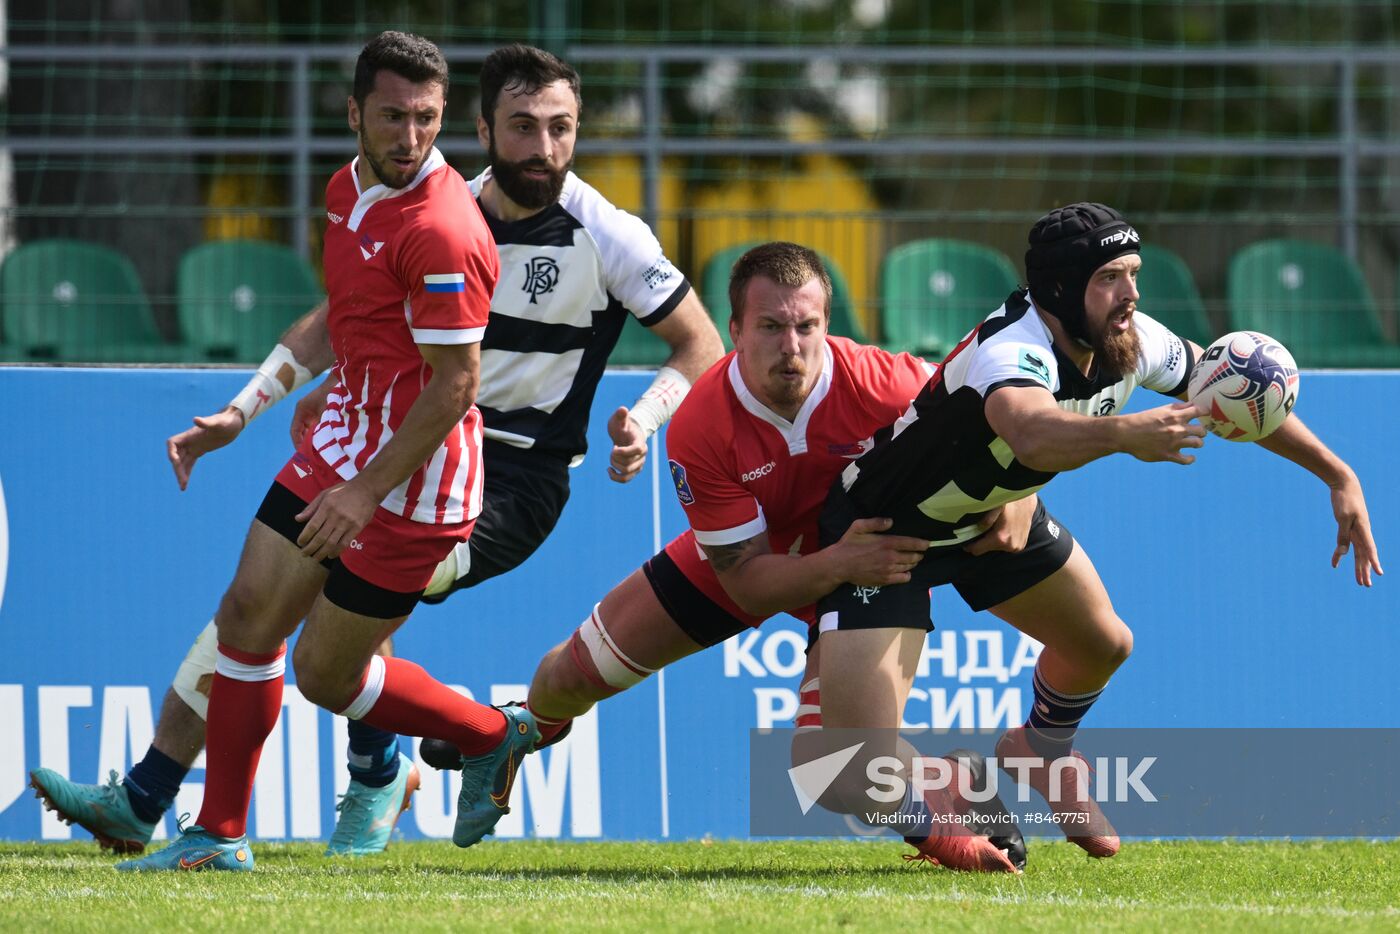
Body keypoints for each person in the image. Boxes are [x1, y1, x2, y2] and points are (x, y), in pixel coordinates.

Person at [29, 44, 722, 858]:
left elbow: (700, 345)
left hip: (510, 482)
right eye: (524, 127)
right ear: (484, 128)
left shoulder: (602, 234)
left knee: (315, 619)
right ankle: (165, 798)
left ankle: (376, 768)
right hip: (402, 438)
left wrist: (644, 416)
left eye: (561, 128)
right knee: (253, 609)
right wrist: (264, 403)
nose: (543, 148)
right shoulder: (413, 201)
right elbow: (346, 315)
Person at [431, 241, 1030, 870]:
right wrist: (835, 563)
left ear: (829, 326)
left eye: (806, 327)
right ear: (735, 329)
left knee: (830, 766)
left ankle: (950, 809)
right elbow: (744, 582)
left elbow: (1001, 413)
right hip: (756, 562)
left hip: (869, 574)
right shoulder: (701, 424)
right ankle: (515, 734)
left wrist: (1021, 495)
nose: (791, 346)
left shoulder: (890, 383)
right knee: (565, 675)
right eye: (770, 327)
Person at [810, 202, 1382, 858]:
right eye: (1111, 276)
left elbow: (1233, 391)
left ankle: (1041, 750)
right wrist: (1121, 434)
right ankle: (953, 797)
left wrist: (1338, 475)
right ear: (1060, 287)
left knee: (1104, 643)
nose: (1132, 293)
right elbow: (1029, 428)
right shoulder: (1012, 347)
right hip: (887, 535)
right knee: (859, 770)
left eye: (1134, 273)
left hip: (992, 515)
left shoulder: (1130, 340)